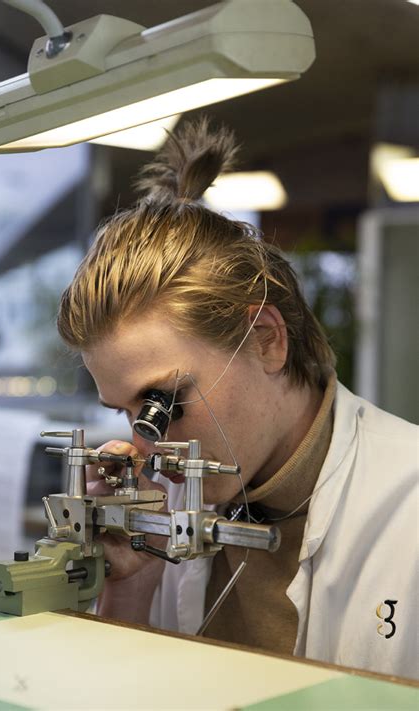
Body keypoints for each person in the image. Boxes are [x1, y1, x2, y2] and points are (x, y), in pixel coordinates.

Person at [57, 119, 418, 680]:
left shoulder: (407, 504)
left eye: (163, 402)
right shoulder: (174, 508)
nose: (148, 451)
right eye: (128, 414)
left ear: (267, 339)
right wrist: (130, 588)